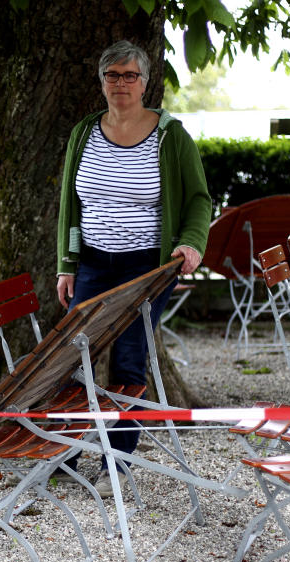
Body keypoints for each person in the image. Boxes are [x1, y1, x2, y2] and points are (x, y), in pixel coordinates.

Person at [55, 40, 212, 498]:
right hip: (93, 263)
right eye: (112, 75)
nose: (121, 83)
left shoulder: (171, 135)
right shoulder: (84, 133)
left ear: (145, 82)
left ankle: (116, 464)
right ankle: (64, 455)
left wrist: (191, 242)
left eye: (130, 75)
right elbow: (71, 206)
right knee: (70, 357)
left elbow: (200, 200)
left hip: (146, 268)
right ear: (101, 81)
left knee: (126, 358)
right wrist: (67, 265)